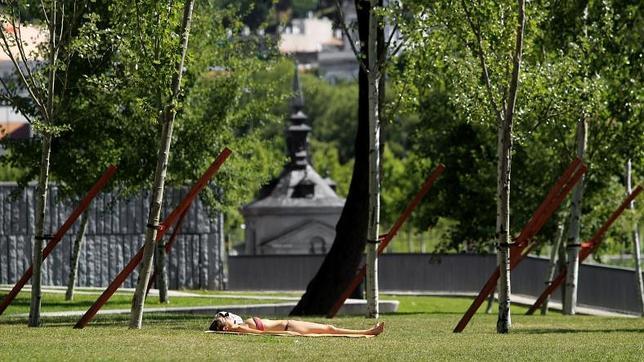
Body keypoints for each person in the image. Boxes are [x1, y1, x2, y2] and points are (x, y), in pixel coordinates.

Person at [208, 311, 384, 336]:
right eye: (226, 318)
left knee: (329, 329)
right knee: (330, 329)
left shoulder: (238, 326)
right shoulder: (239, 328)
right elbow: (262, 333)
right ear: (225, 327)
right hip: (289, 327)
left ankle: (368, 331)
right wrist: (288, 334)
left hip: (289, 324)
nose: (230, 316)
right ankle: (368, 331)